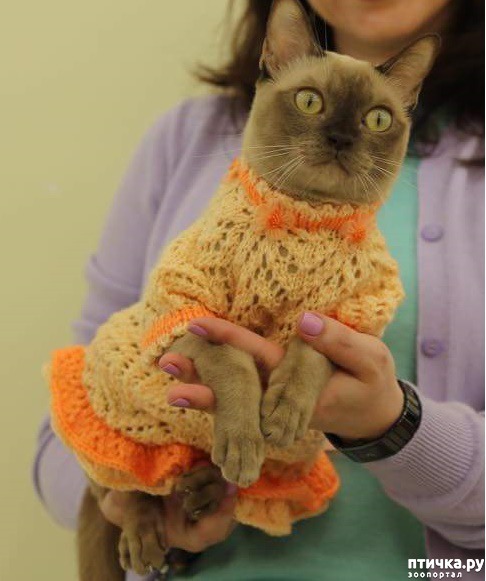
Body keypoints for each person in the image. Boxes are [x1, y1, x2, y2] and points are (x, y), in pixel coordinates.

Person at [34, 0, 484, 579]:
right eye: (309, 102)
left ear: (406, 100)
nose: (341, 135)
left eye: (377, 119)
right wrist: (135, 504)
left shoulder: (369, 264)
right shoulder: (185, 138)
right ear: (276, 58)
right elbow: (76, 404)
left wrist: (396, 426)